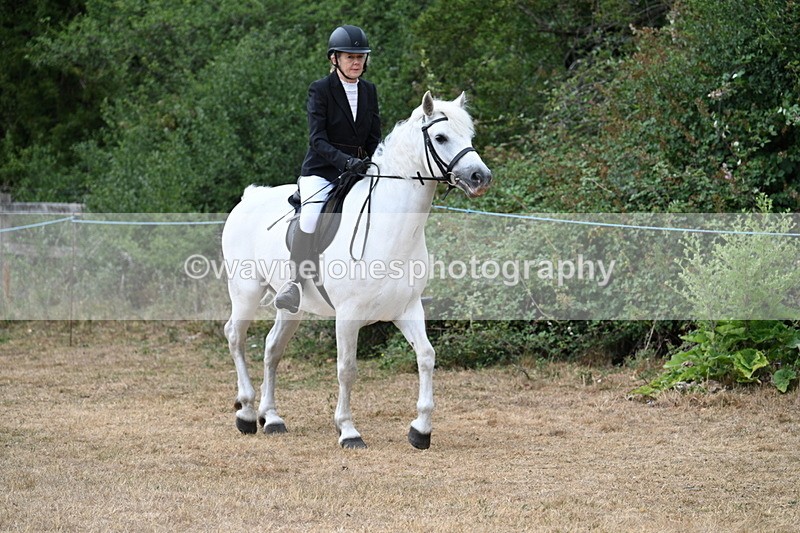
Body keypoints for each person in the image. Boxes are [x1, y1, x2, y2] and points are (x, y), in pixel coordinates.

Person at [274, 24, 382, 313]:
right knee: (310, 215)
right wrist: (345, 162)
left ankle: (391, 287)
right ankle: (294, 284)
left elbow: (373, 136)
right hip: (322, 170)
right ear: (334, 59)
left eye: (361, 57)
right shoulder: (320, 90)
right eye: (350, 57)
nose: (357, 62)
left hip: (359, 170)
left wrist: (368, 161)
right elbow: (317, 139)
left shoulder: (369, 91)